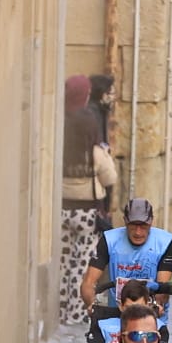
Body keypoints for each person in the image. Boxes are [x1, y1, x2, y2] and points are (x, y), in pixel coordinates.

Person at [81, 198, 172, 343]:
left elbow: (163, 288)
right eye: (133, 226)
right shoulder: (109, 240)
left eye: (143, 226)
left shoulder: (164, 242)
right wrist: (91, 304)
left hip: (150, 316)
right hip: (116, 316)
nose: (138, 232)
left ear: (151, 222)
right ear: (125, 222)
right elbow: (88, 282)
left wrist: (158, 304)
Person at [62, 74, 119, 324]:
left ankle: (60, 308)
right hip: (86, 212)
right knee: (81, 263)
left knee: (63, 261)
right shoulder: (93, 151)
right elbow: (110, 178)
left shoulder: (60, 144)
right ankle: (75, 312)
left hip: (62, 209)